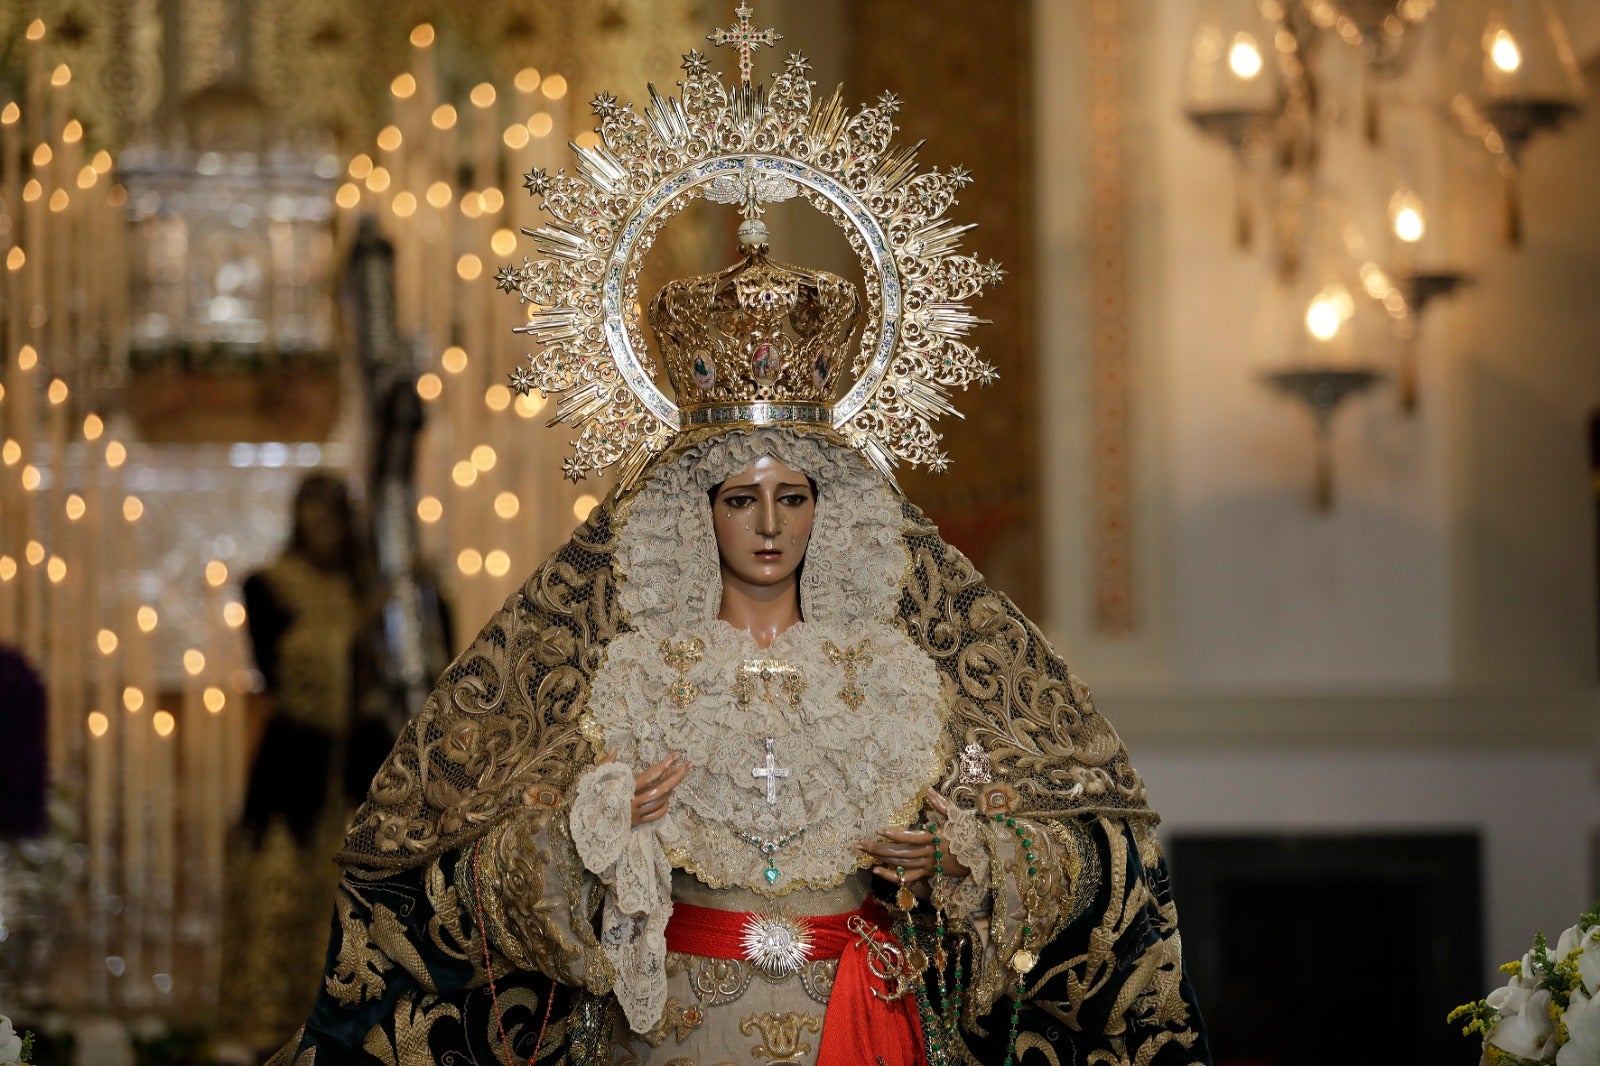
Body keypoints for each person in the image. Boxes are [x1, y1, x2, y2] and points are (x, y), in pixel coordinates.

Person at [269, 17, 1210, 1064]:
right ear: (694, 510)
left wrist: (966, 855)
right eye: (738, 497)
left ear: (831, 506)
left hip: (861, 1019)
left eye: (794, 494)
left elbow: (1091, 854)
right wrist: (591, 835)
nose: (767, 524)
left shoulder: (906, 673)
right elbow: (450, 876)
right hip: (670, 1029)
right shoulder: (618, 670)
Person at [226, 472, 371, 1051]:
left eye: (331, 515)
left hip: (356, 772)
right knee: (275, 897)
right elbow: (282, 670)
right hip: (291, 770)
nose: (321, 528)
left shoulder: (372, 591)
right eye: (310, 515)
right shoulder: (269, 588)